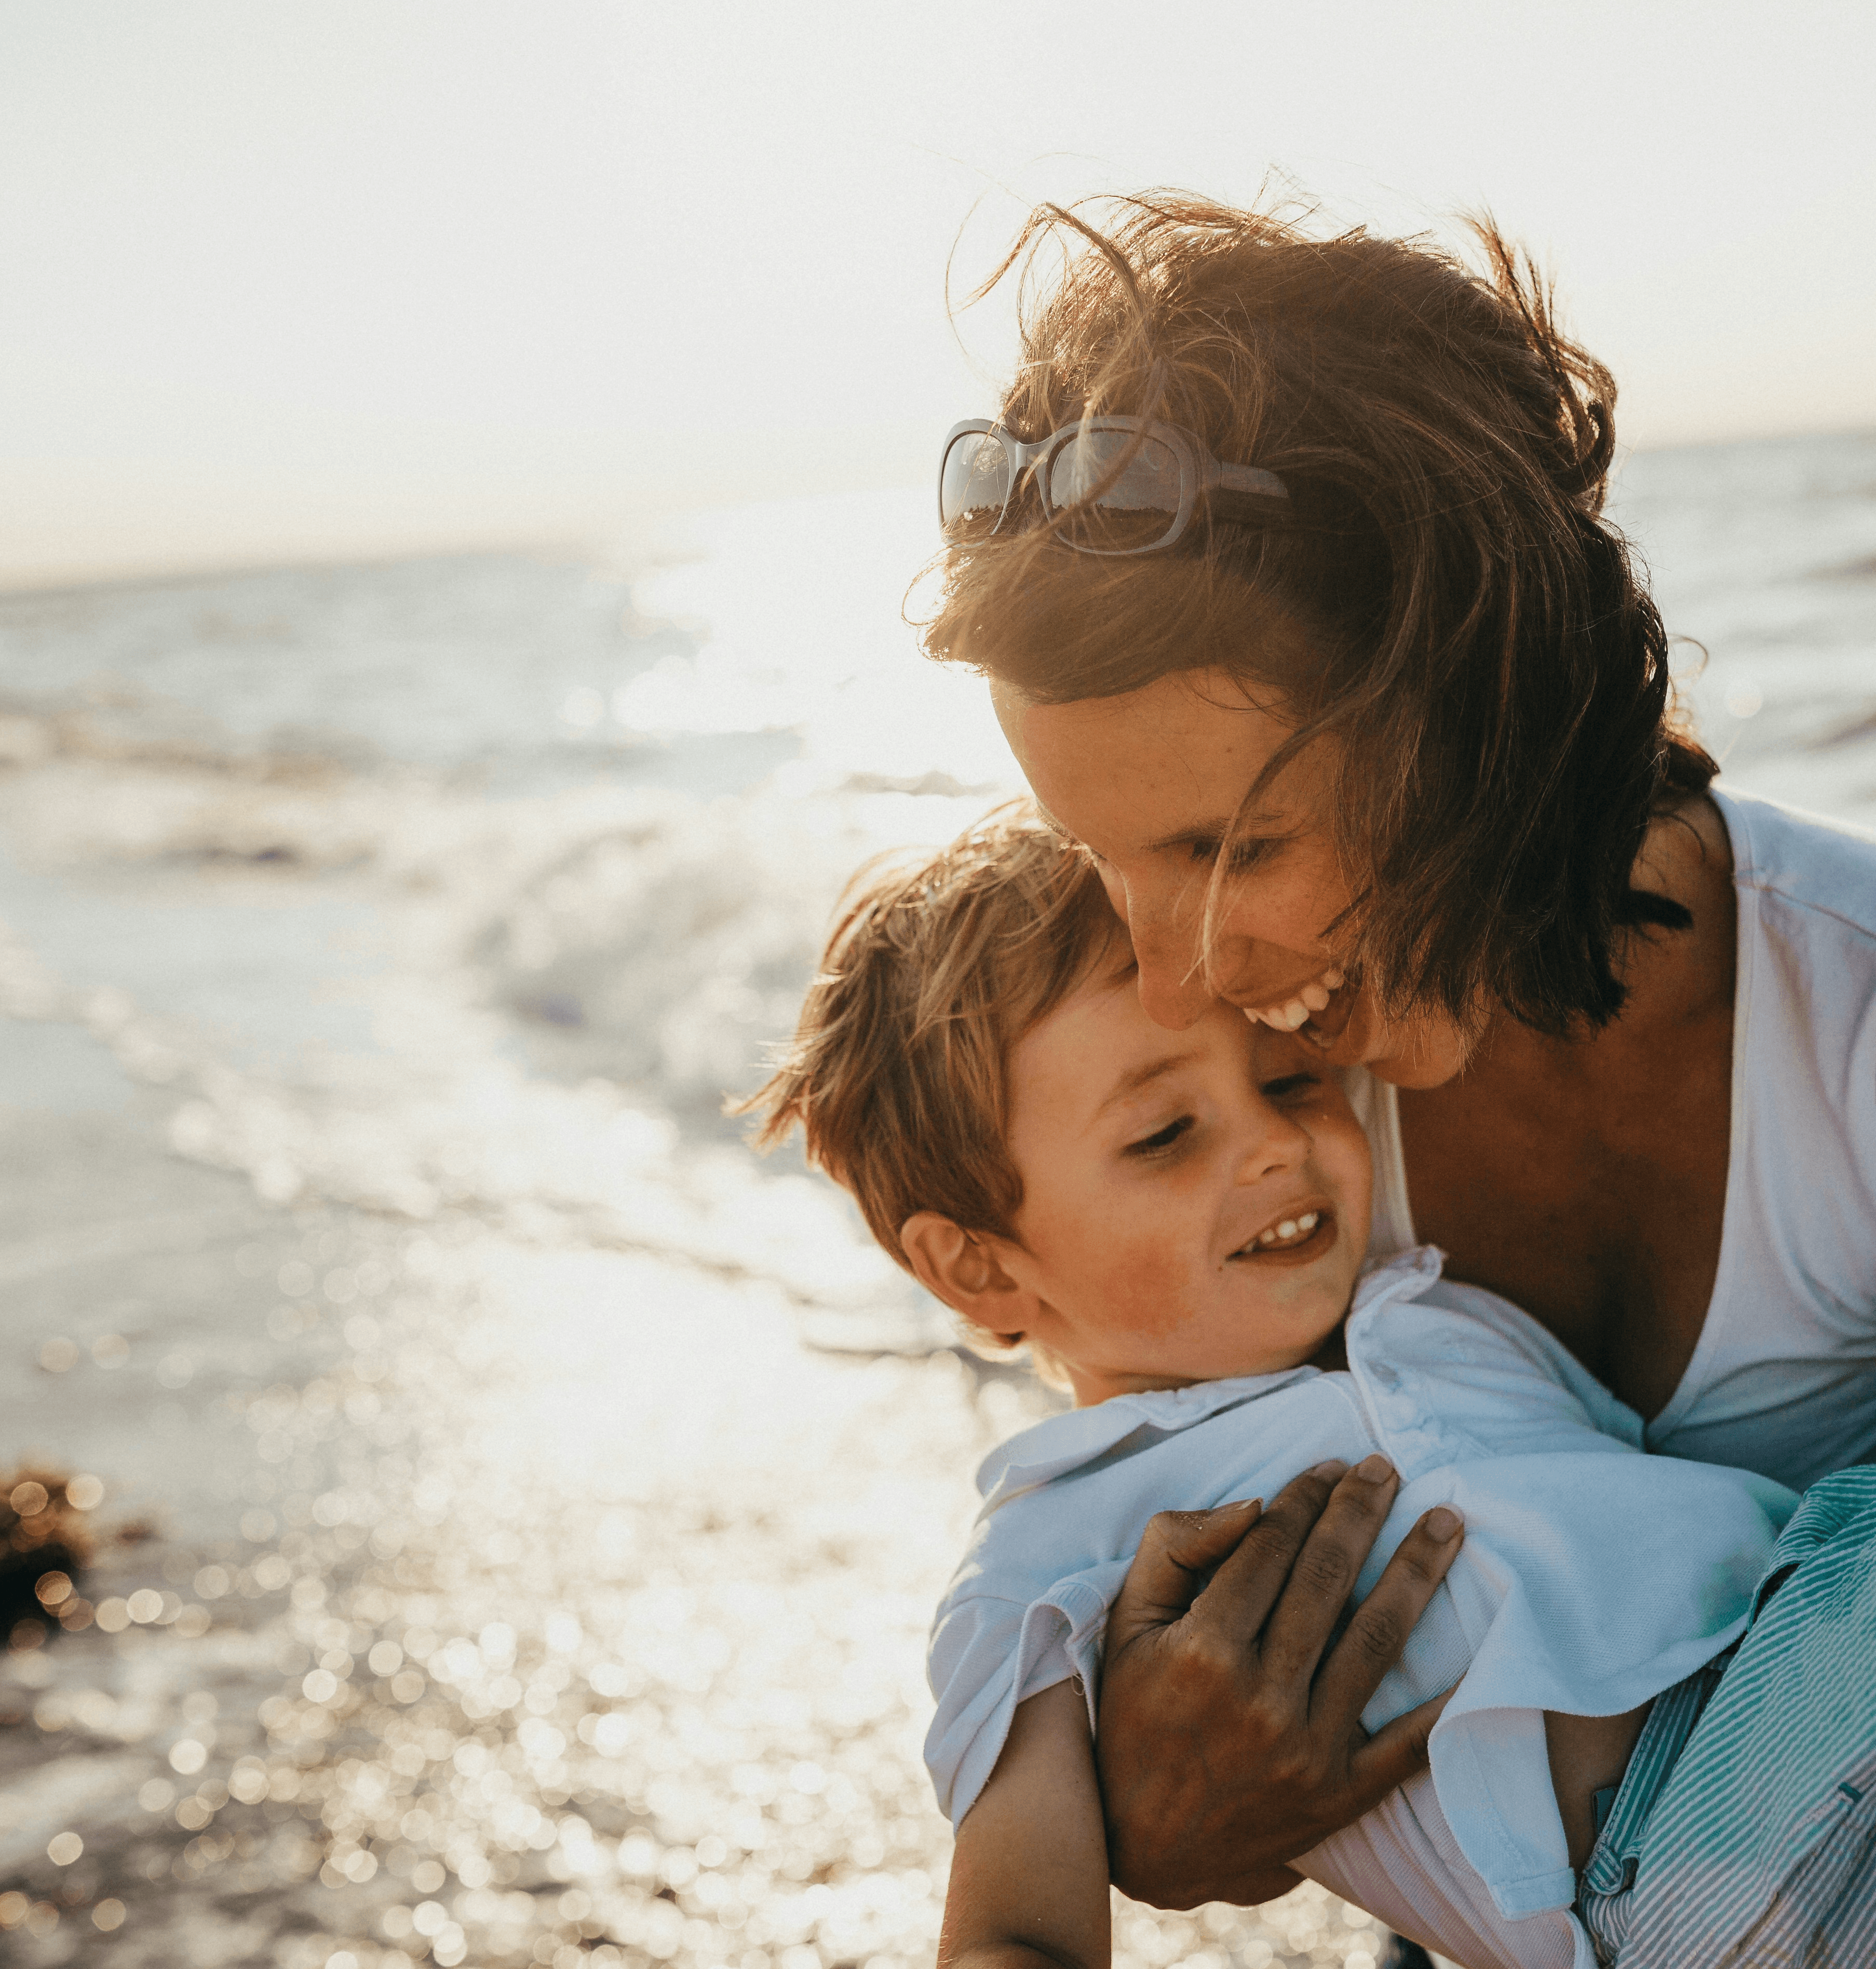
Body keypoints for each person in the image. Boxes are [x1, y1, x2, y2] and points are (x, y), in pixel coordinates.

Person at [919, 194, 1876, 1931]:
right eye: (1102, 862)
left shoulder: (1851, 1020)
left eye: (1231, 848)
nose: (1172, 971)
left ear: (1477, 708)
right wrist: (1162, 1808)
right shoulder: (1250, 1109)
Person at [741, 809, 1798, 1969]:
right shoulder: (1052, 1553)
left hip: (1815, 1616)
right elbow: (1012, 1933)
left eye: (1291, 1079)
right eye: (1163, 1135)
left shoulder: (1438, 1305)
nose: (1271, 1145)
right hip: (1704, 1869)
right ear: (981, 1265)